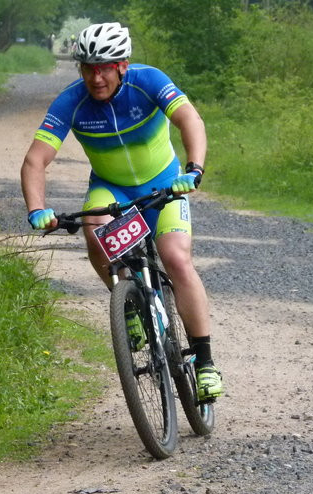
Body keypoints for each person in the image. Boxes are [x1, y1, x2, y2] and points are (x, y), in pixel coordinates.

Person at [20, 22, 223, 401]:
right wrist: (37, 209)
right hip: (112, 188)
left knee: (176, 259)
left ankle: (206, 361)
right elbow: (35, 161)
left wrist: (193, 169)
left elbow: (189, 119)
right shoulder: (71, 102)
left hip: (164, 185)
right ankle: (127, 301)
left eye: (105, 67)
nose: (96, 77)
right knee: (94, 223)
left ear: (122, 65)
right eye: (88, 68)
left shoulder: (149, 81)